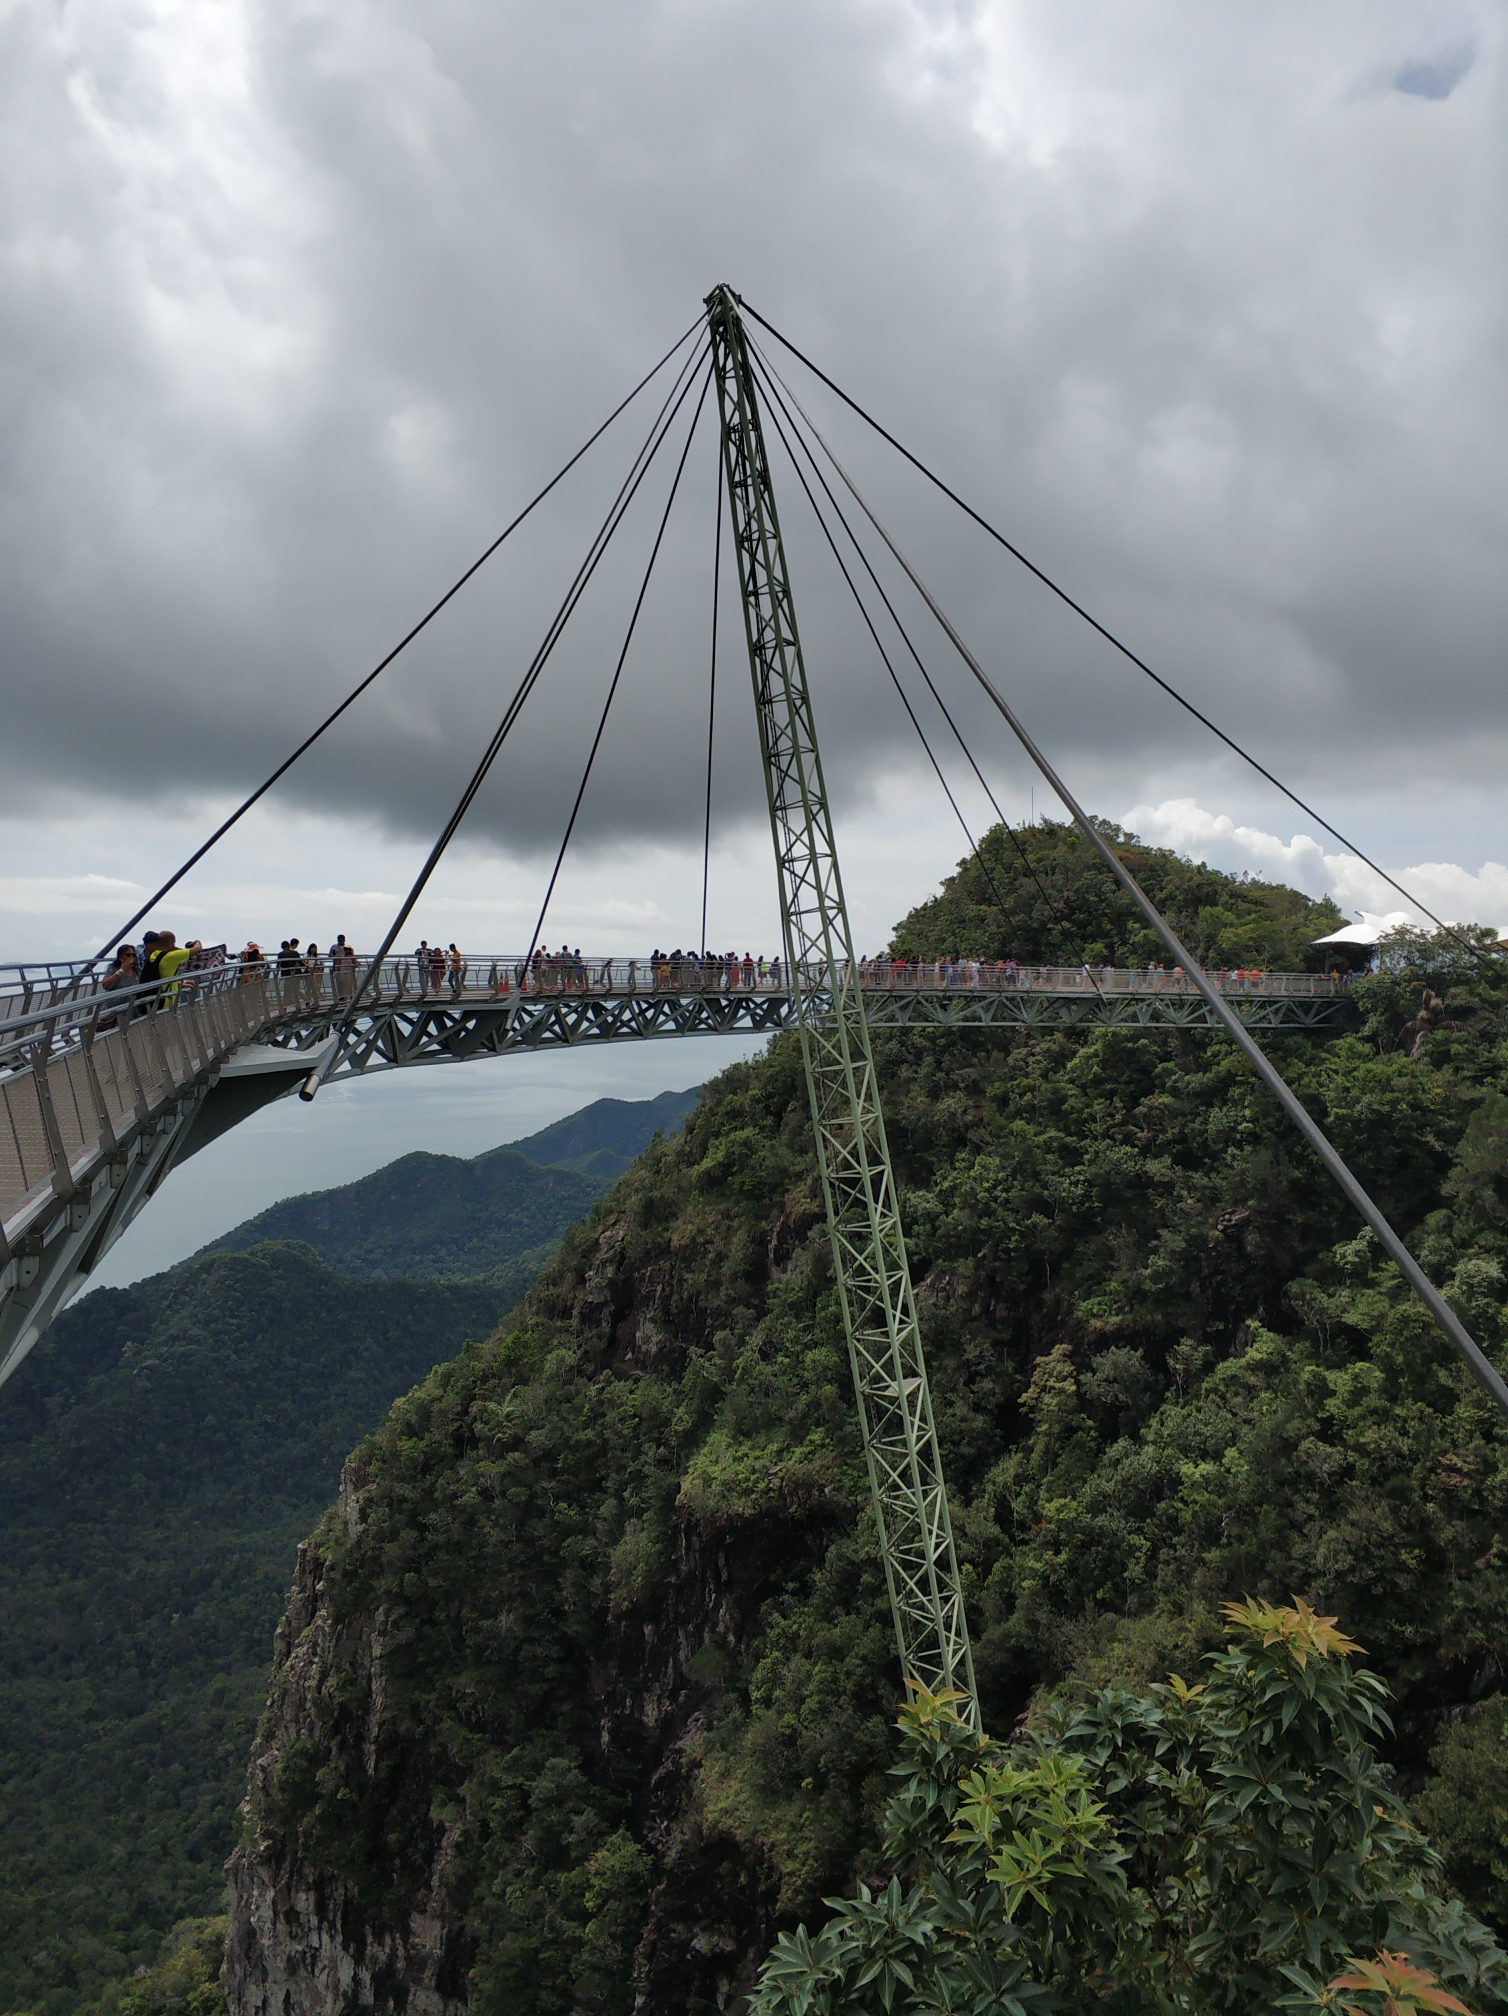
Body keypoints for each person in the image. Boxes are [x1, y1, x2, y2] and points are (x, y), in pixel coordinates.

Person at [98, 944, 139, 1028]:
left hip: (132, 1011)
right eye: (128, 955)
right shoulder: (113, 969)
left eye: (133, 955)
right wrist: (122, 970)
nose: (131, 957)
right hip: (114, 1012)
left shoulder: (138, 971)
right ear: (120, 957)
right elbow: (106, 985)